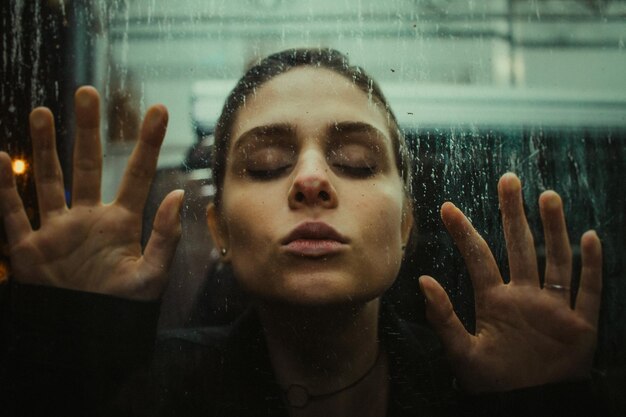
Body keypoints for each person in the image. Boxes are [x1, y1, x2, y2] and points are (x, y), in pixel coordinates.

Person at [0, 48, 604, 416]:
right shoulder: (144, 393)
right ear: (220, 229)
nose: (311, 180)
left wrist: (536, 405)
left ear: (404, 224)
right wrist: (64, 348)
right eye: (265, 164)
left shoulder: (476, 388)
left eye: (358, 162)